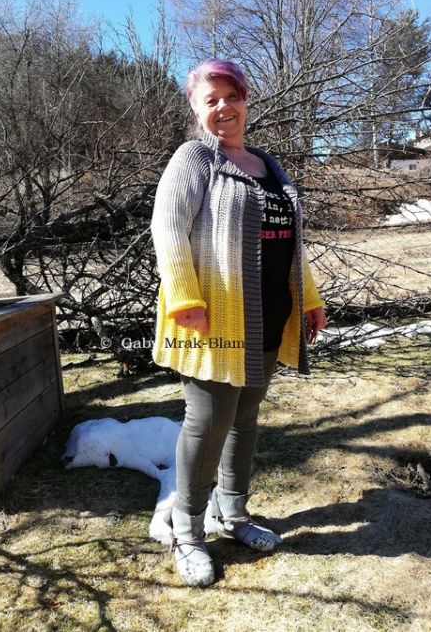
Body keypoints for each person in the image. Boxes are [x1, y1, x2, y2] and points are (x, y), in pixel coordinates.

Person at [151, 58, 326, 587]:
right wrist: (185, 298)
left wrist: (309, 298)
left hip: (268, 315)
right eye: (211, 100)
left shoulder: (268, 164)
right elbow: (167, 228)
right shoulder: (193, 159)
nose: (223, 107)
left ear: (246, 101)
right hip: (213, 319)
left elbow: (290, 242)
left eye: (232, 96)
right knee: (207, 423)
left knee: (244, 420)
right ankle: (187, 532)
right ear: (196, 108)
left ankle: (233, 514)